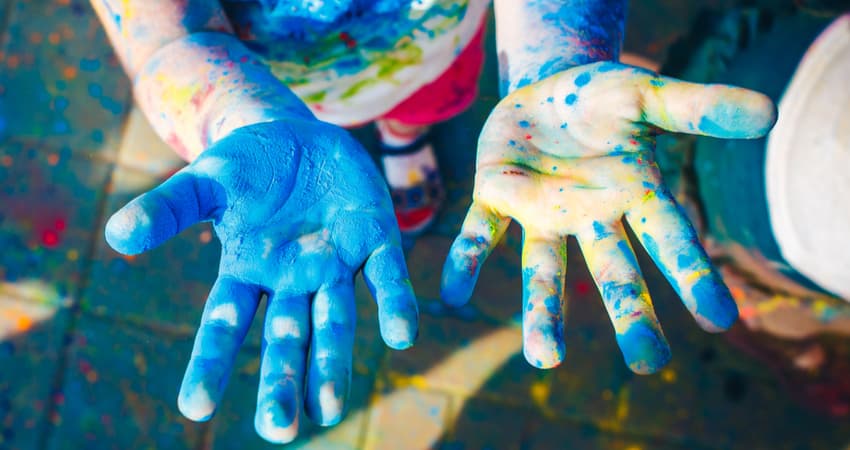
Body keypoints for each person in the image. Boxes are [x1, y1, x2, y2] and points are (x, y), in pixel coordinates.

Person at [92, 0, 776, 443]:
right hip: (271, 83)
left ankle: (406, 137)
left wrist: (555, 59)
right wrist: (238, 114)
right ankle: (335, 141)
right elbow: (162, 35)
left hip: (433, 43)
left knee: (423, 103)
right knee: (320, 133)